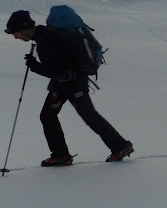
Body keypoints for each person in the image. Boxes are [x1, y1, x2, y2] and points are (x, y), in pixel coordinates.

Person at [5, 10, 133, 166]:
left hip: (73, 83)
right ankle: (61, 154)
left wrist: (35, 66)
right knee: (48, 115)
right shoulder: (44, 37)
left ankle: (120, 146)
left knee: (88, 115)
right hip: (64, 84)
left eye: (15, 33)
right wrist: (37, 66)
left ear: (24, 28)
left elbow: (59, 71)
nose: (15, 37)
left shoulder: (46, 41)